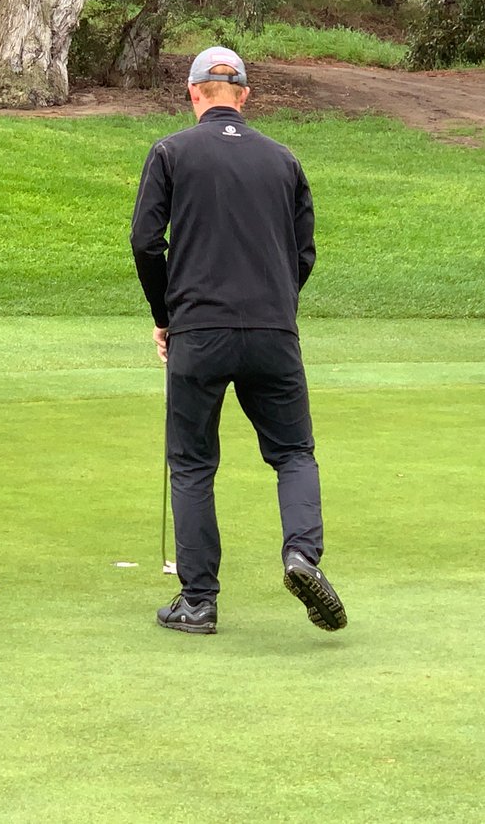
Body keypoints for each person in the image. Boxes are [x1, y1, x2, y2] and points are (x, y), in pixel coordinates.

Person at [130, 46, 347, 636]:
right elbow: (304, 252)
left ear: (193, 91)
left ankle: (198, 601)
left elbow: (146, 242)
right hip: (273, 331)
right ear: (244, 95)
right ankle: (301, 555)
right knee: (293, 453)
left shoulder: (171, 152)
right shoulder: (284, 160)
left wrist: (165, 315)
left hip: (199, 330)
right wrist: (276, 305)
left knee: (192, 462)